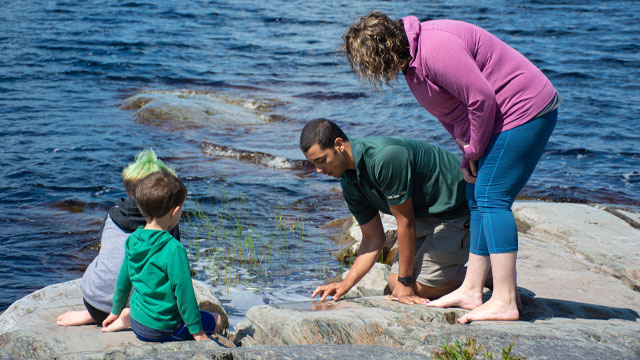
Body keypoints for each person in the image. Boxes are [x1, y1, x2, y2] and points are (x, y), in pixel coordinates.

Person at [342, 11, 560, 322]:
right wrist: (467, 151)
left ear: (385, 50)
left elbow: (481, 98)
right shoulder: (413, 66)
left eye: (371, 63)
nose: (374, 72)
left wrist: (476, 148)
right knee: (475, 197)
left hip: (524, 111)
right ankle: (472, 288)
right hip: (497, 121)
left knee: (492, 199)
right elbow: (453, 114)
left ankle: (505, 299)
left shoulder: (434, 49)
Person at [301, 119, 472, 305]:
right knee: (394, 283)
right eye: (313, 164)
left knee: (422, 289)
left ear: (339, 144)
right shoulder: (349, 182)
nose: (318, 170)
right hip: (425, 215)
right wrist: (345, 284)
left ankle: (487, 275)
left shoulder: (384, 158)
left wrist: (406, 283)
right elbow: (373, 238)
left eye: (321, 160)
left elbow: (405, 222)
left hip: (460, 206)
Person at [57, 149, 181, 328]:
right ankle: (129, 317)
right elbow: (173, 272)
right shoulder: (166, 224)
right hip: (136, 307)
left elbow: (105, 248)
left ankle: (95, 315)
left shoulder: (113, 213)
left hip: (93, 301)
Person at [101, 169, 221, 341]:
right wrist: (198, 332)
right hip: (164, 329)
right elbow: (184, 293)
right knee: (216, 320)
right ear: (175, 211)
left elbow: (123, 282)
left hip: (137, 322)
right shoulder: (173, 249)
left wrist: (115, 311)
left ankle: (126, 317)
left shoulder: (133, 239)